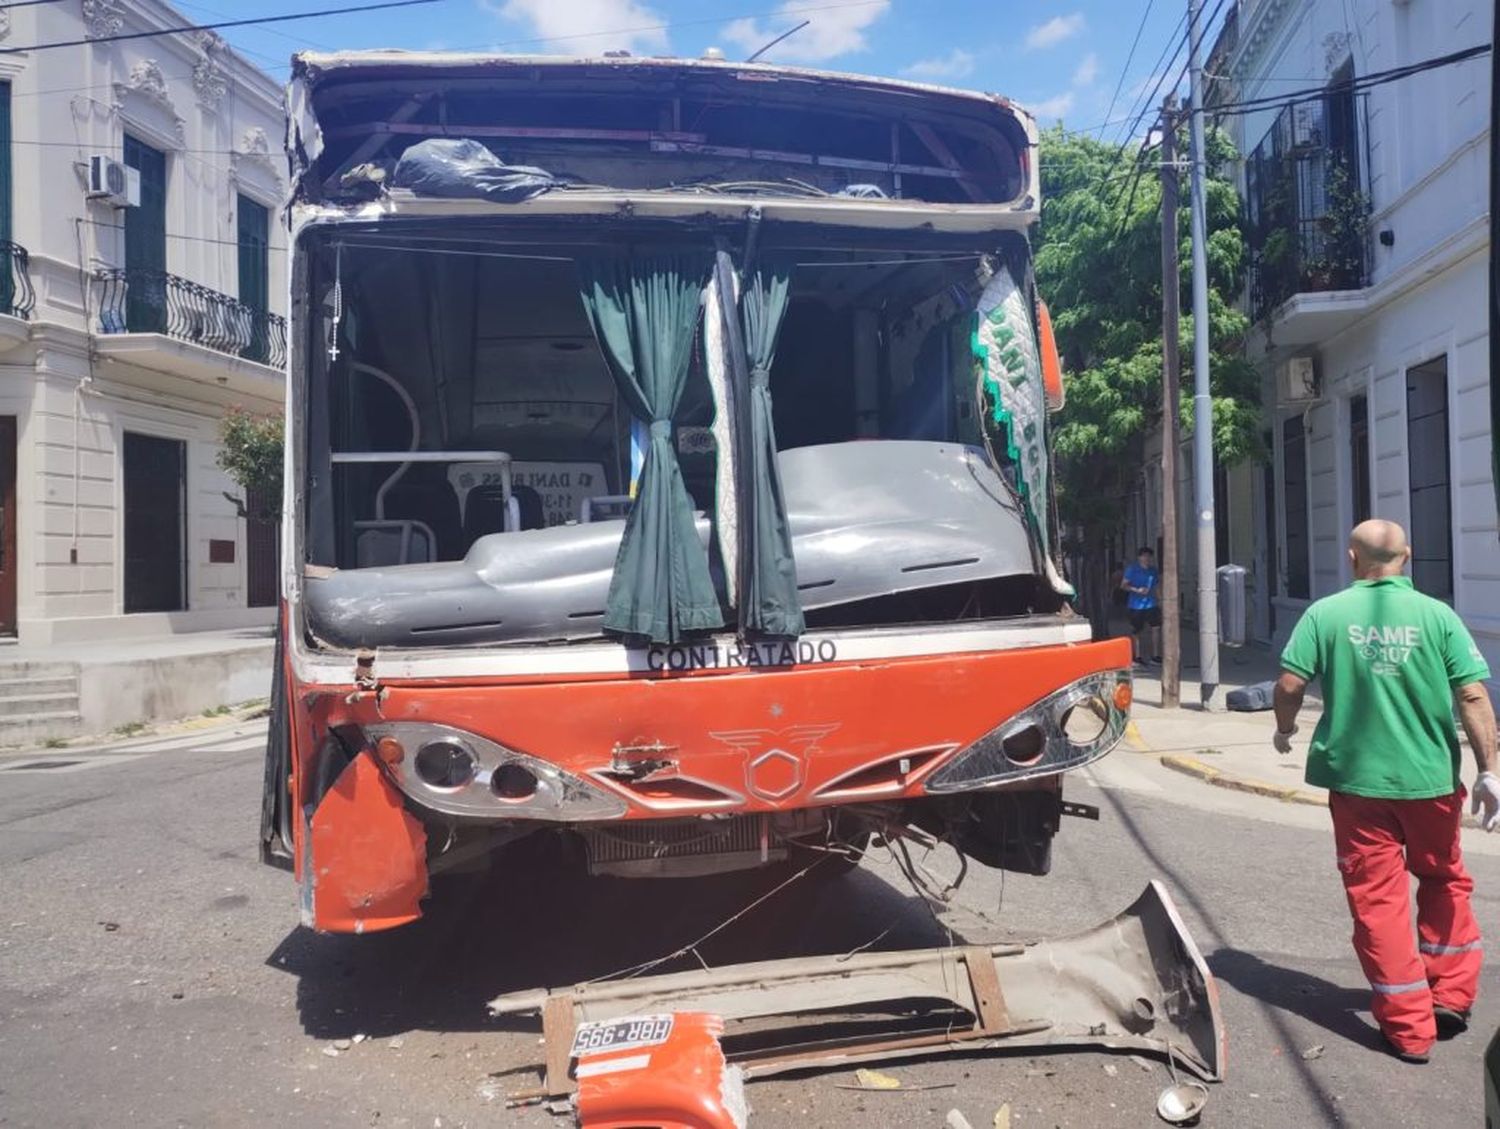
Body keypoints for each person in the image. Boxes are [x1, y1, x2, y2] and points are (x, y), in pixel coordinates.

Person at [1273, 519, 1498, 1064]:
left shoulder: (1324, 615)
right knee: (1444, 879)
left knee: (1379, 899)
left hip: (1357, 784)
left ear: (1353, 558)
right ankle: (1449, 995)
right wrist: (1490, 770)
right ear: (1408, 557)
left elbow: (1289, 685)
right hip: (1430, 783)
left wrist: (1284, 730)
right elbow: (1471, 694)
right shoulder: (1438, 616)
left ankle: (1408, 1030)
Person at [1120, 547, 1161, 665]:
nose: (1146, 558)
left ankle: (1155, 655)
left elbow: (1157, 586)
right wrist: (1136, 590)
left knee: (1156, 628)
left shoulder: (1153, 571)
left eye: (1149, 556)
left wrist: (1160, 600)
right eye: (1144, 556)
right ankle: (1137, 656)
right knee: (1137, 631)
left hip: (1151, 603)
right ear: (1139, 557)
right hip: (1135, 605)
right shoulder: (1132, 569)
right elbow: (1123, 585)